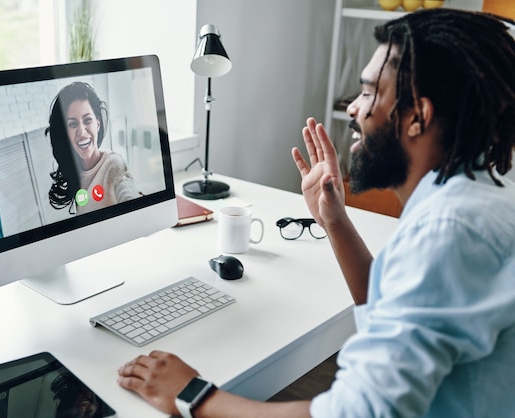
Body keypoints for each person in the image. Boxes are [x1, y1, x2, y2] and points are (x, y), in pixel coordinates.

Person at [116, 8, 515, 418]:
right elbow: (392, 313)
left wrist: (194, 396)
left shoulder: (449, 232)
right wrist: (334, 221)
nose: (355, 110)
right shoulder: (477, 193)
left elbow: (357, 414)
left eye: (368, 93)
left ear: (417, 117)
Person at [47, 81, 138, 214]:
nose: (82, 132)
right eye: (73, 124)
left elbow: (128, 196)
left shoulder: (113, 164)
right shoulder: (76, 173)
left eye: (87, 120)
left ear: (98, 124)